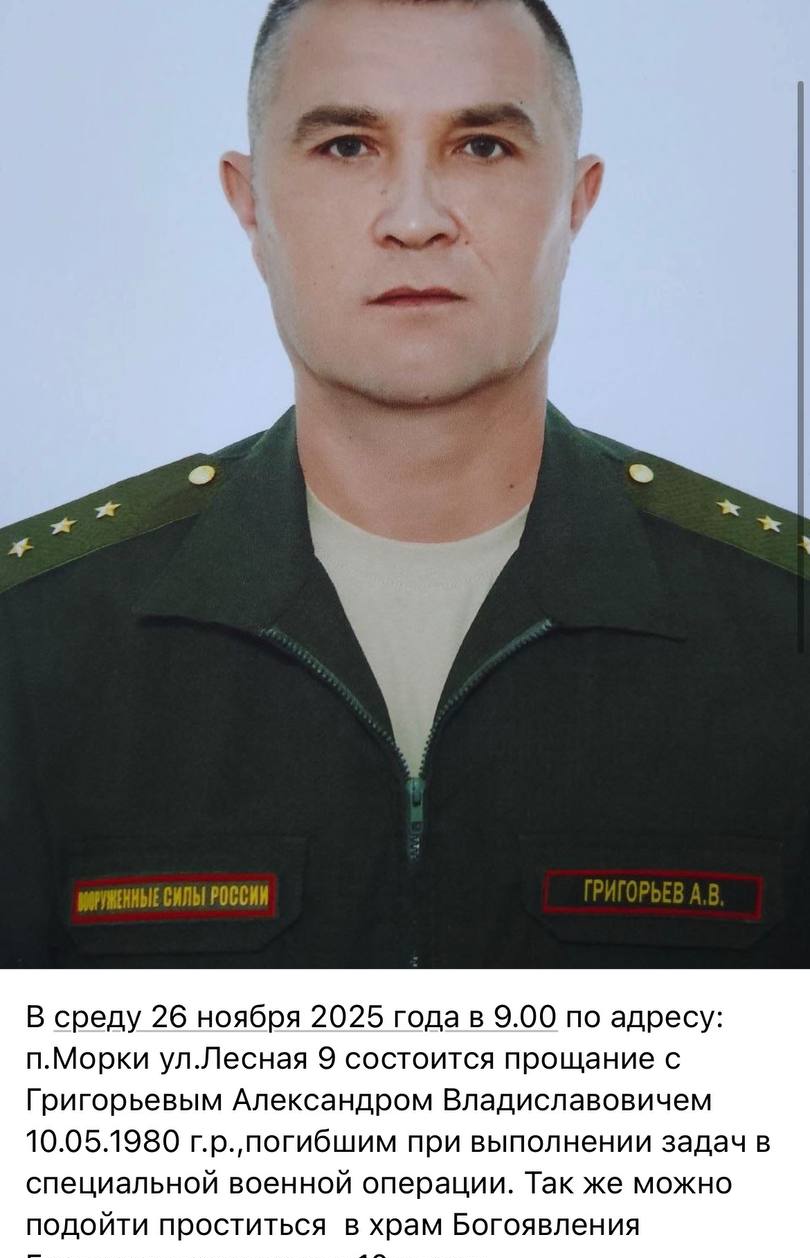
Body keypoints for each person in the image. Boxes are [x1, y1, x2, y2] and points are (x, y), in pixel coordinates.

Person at [1, 0, 807, 969]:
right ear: (250, 204)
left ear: (576, 200)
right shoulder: (31, 643)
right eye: (347, 147)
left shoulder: (785, 632)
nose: (416, 220)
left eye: (482, 147)